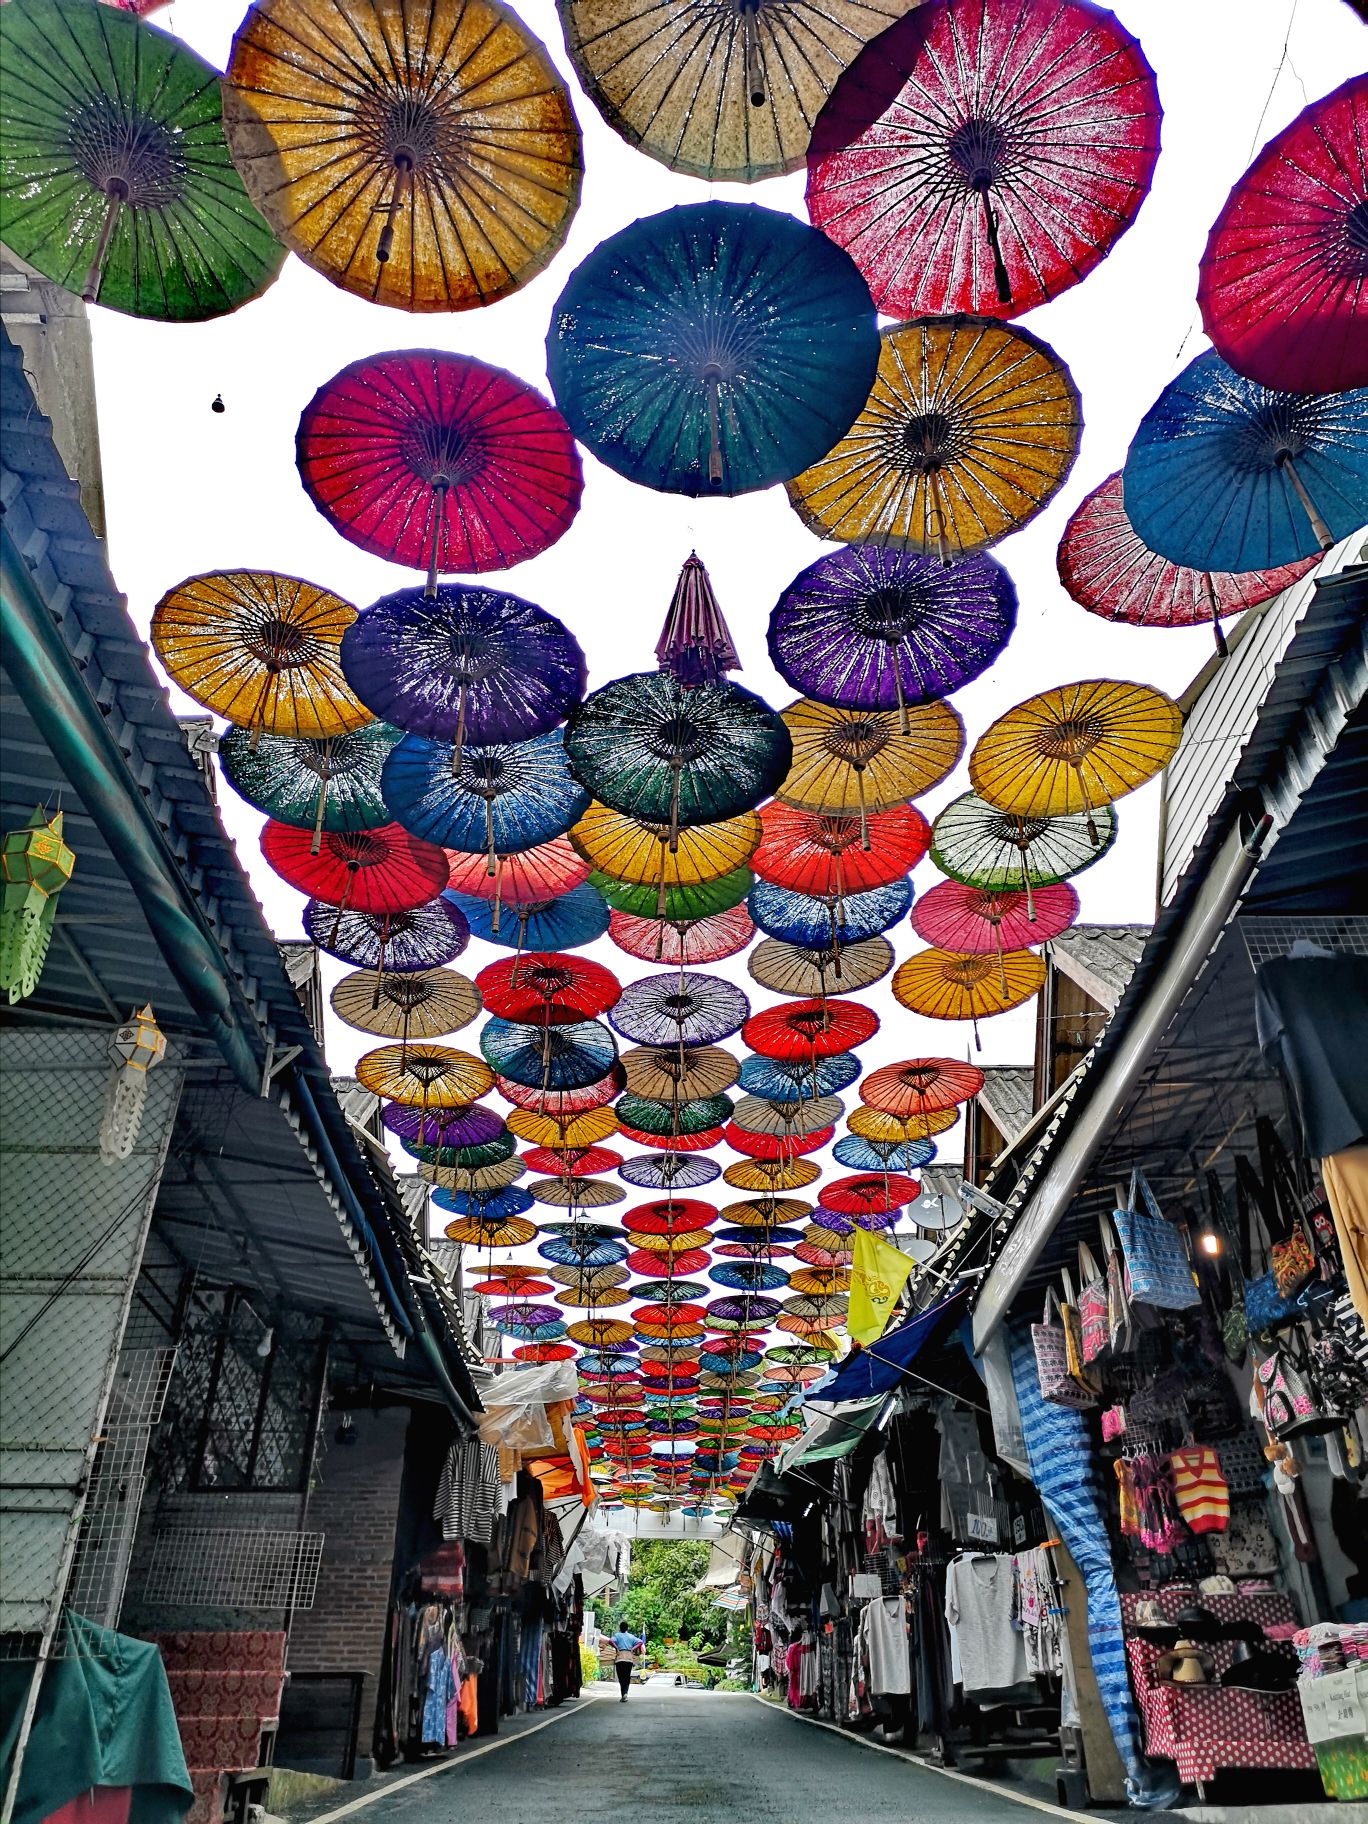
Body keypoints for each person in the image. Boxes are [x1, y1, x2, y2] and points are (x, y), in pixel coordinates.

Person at [610, 1625, 642, 1701]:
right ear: (627, 1628)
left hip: (620, 1658)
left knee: (621, 1677)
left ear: (620, 1628)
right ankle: (625, 1694)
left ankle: (623, 1694)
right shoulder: (631, 1636)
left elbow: (611, 1641)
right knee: (627, 1677)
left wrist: (616, 1648)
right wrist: (632, 1648)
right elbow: (640, 1642)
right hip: (629, 1658)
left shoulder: (617, 1635)